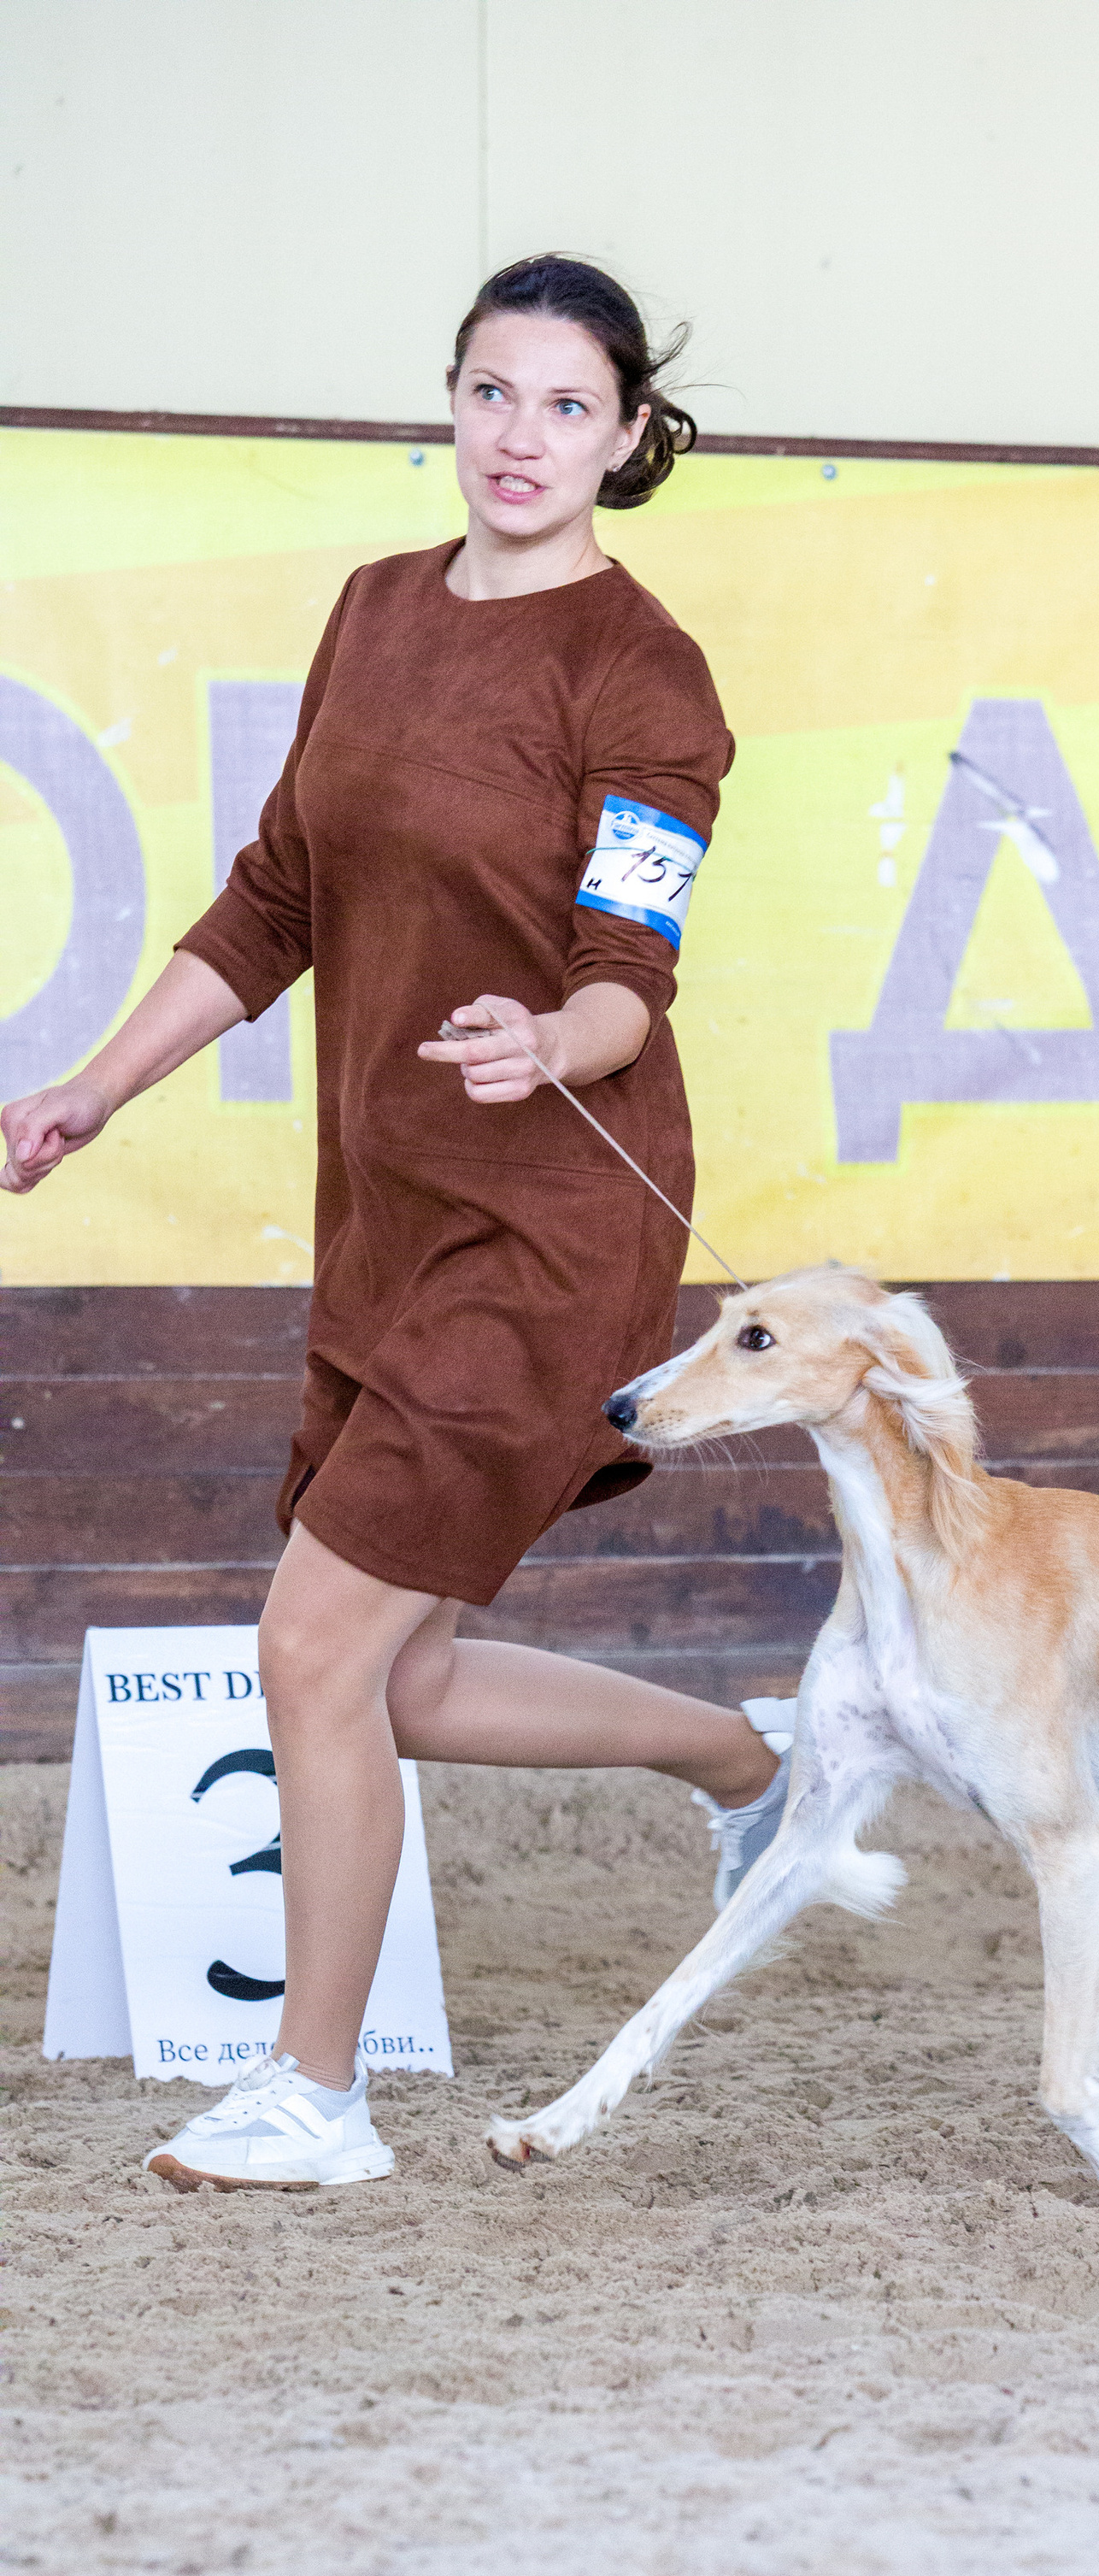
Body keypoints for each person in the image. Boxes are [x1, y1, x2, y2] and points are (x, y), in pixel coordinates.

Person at [0, 255, 788, 2191]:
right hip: (388, 1222)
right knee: (401, 1679)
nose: (518, 438)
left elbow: (633, 962)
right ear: (449, 405)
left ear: (624, 435)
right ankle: (748, 1764)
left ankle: (315, 2097)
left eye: (563, 407)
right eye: (488, 395)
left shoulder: (642, 668)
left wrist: (558, 1035)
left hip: (551, 1225)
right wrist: (100, 1082)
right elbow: (277, 896)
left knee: (311, 1654)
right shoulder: (373, 613)